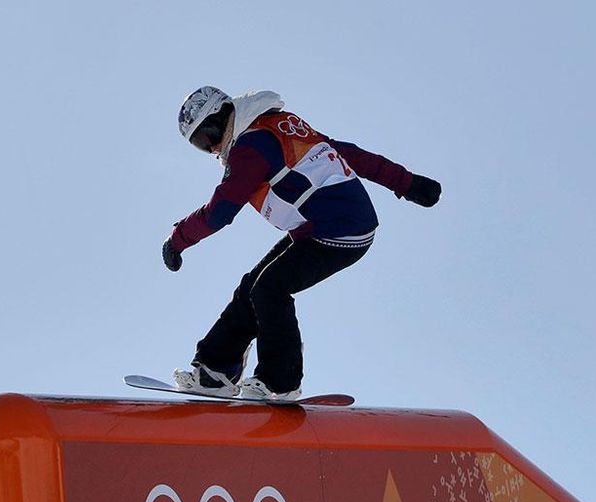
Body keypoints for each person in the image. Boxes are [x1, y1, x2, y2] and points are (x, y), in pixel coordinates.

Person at [163, 86, 441, 400]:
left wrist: (177, 240)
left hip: (340, 232)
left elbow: (220, 210)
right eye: (201, 145)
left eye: (208, 136)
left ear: (221, 116)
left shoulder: (250, 146)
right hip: (320, 227)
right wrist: (408, 183)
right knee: (252, 286)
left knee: (269, 289)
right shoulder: (277, 125)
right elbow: (346, 153)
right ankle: (215, 372)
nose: (213, 147)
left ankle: (280, 383)